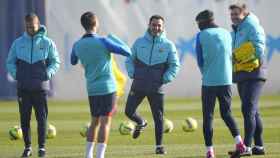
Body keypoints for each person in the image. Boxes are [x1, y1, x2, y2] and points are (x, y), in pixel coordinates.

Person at [70, 12, 131, 158]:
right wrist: (113, 38)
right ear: (96, 23)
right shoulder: (103, 41)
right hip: (108, 87)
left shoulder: (77, 44)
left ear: (83, 25)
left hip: (92, 88)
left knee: (94, 122)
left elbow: (73, 61)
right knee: (105, 123)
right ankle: (100, 155)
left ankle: (88, 154)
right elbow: (127, 51)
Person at [6, 13, 60, 158]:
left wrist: (48, 73)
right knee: (24, 119)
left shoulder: (47, 43)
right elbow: (10, 62)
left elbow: (55, 62)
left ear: (38, 24)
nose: (31, 29)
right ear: (26, 26)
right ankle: (27, 147)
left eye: (33, 27)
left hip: (40, 88)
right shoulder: (18, 43)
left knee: (41, 119)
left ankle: (42, 148)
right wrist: (17, 74)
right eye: (28, 27)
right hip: (23, 88)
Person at [125, 15, 180, 154]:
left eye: (159, 25)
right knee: (128, 112)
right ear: (149, 25)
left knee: (158, 118)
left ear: (163, 27)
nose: (156, 27)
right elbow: (129, 59)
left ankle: (159, 147)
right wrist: (132, 73)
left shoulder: (168, 45)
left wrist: (165, 78)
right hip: (138, 85)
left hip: (156, 87)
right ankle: (141, 122)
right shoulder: (139, 42)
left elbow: (175, 65)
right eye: (154, 25)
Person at [194, 10, 246, 158]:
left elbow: (199, 60)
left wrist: (206, 72)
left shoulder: (201, 35)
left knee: (208, 116)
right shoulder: (226, 33)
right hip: (226, 81)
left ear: (203, 22)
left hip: (209, 82)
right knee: (227, 113)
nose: (198, 26)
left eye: (199, 23)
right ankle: (240, 143)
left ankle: (209, 151)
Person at [228, 3, 266, 157]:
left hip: (255, 73)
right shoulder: (236, 30)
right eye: (232, 14)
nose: (234, 17)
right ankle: (259, 147)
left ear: (245, 14)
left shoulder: (252, 26)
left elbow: (258, 48)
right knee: (253, 111)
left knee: (248, 109)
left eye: (237, 14)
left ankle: (247, 147)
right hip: (243, 74)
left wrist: (237, 56)